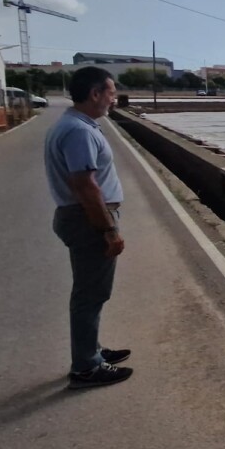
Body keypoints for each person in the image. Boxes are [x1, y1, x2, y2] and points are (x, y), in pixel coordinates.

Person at [44, 66, 133, 389]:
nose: (114, 99)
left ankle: (92, 351)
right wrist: (109, 229)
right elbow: (85, 186)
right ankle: (86, 367)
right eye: (111, 93)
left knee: (90, 292)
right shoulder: (79, 131)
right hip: (88, 220)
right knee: (90, 295)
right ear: (95, 94)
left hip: (81, 217)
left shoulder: (75, 125)